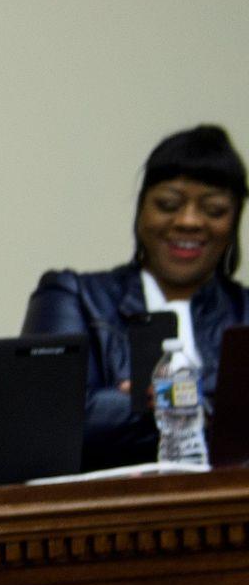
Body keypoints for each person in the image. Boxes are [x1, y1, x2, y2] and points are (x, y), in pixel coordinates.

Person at [22, 125, 247, 469]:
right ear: (142, 209)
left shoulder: (245, 313)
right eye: (168, 204)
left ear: (233, 222)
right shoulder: (74, 297)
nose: (189, 221)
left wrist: (144, 404)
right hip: (106, 515)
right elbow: (42, 421)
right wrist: (178, 407)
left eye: (214, 210)